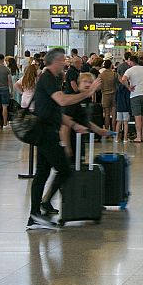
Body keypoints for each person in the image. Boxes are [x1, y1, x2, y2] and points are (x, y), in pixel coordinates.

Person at [26, 48, 100, 230]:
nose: (64, 63)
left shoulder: (53, 79)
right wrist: (87, 94)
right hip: (45, 134)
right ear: (54, 61)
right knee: (64, 169)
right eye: (62, 60)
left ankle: (35, 214)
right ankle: (38, 210)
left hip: (47, 130)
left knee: (42, 173)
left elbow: (54, 111)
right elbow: (62, 101)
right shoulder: (48, 78)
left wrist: (74, 125)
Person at [121, 56, 143, 143]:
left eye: (129, 61)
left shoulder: (130, 70)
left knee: (137, 116)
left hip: (135, 94)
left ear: (131, 61)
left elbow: (123, 79)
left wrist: (128, 87)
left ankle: (138, 136)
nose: (128, 63)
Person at [99, 60, 117, 131]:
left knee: (106, 114)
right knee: (114, 114)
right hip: (114, 95)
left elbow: (99, 86)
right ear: (111, 65)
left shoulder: (101, 75)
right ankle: (114, 130)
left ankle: (106, 130)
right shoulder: (114, 74)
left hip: (105, 95)